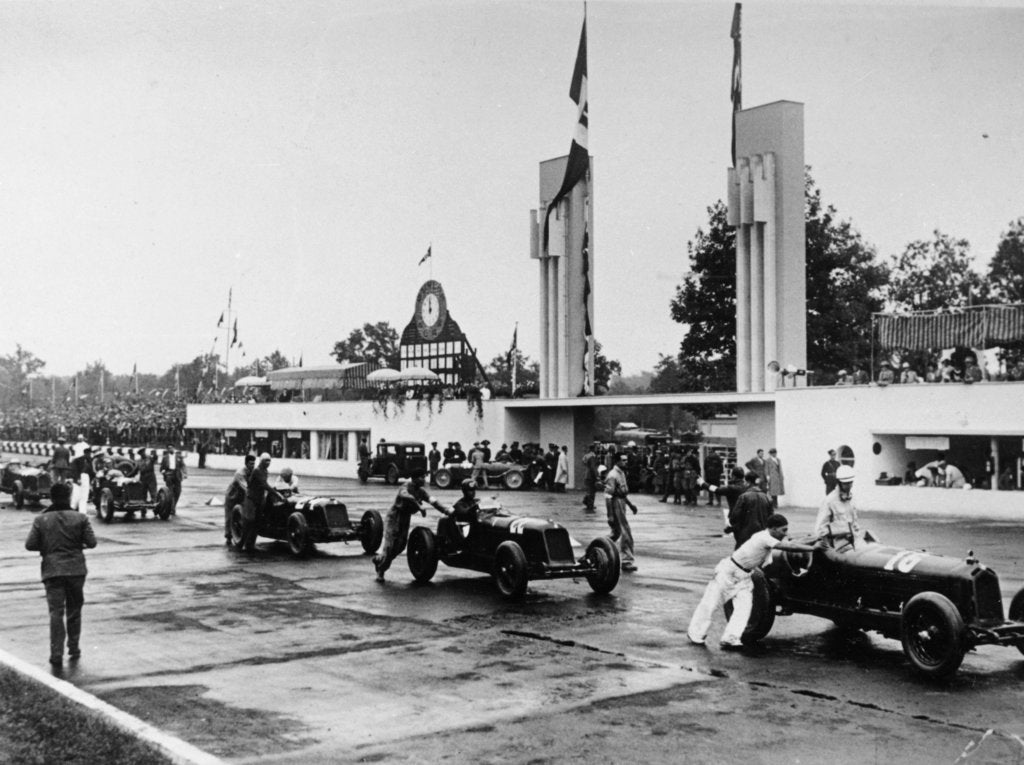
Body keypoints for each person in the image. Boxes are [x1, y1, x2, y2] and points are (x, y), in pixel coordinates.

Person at [687, 514, 821, 650]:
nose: (786, 533)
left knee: (744, 608)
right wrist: (813, 548)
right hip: (728, 572)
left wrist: (817, 538)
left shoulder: (769, 536)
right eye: (783, 530)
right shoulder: (763, 537)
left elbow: (796, 541)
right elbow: (788, 546)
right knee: (710, 603)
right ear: (773, 529)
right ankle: (695, 633)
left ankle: (731, 638)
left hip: (745, 575)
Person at [24, 482, 97, 666]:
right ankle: (74, 647)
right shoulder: (80, 518)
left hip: (52, 570)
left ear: (51, 497)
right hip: (76, 570)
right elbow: (92, 542)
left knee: (56, 612)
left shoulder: (41, 520)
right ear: (69, 496)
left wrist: (48, 546)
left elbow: (30, 545)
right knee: (74, 610)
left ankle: (56, 653)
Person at [373, 467, 449, 582]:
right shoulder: (405, 487)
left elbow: (433, 501)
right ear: (415, 478)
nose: (424, 479)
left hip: (405, 518)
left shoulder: (421, 491)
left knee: (401, 545)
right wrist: (419, 506)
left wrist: (447, 511)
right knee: (390, 546)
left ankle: (379, 559)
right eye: (422, 477)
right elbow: (406, 496)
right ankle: (381, 571)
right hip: (394, 517)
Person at [604, 452, 637, 572]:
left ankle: (601, 547)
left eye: (626, 460)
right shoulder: (613, 475)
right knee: (625, 531)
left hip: (621, 502)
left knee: (616, 533)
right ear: (617, 461)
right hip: (616, 504)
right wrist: (610, 515)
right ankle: (626, 560)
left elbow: (622, 493)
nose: (625, 462)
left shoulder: (621, 473)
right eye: (623, 460)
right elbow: (608, 496)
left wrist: (630, 505)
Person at [814, 464, 863, 545]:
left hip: (852, 541)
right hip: (836, 544)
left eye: (850, 482)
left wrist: (857, 535)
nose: (849, 486)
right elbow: (820, 529)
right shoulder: (830, 501)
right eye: (846, 483)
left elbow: (854, 522)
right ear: (839, 482)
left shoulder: (851, 499)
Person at [728, 471, 773, 549]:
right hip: (762, 534)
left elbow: (734, 517)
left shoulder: (743, 497)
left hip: (745, 535)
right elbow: (771, 517)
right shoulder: (767, 497)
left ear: (748, 482)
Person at [241, 453, 272, 553]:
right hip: (251, 499)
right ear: (261, 461)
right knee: (250, 521)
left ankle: (251, 544)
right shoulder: (257, 470)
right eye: (266, 461)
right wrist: (276, 493)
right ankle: (244, 543)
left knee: (257, 522)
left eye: (269, 460)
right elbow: (264, 484)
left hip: (259, 499)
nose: (268, 463)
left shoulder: (265, 471)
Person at [225, 454, 255, 545]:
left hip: (242, 495)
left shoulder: (253, 471)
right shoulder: (240, 473)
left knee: (244, 515)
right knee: (229, 516)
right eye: (250, 464)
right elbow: (244, 486)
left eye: (254, 463)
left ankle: (241, 535)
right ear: (246, 463)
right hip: (232, 495)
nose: (252, 466)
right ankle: (228, 537)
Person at [712, 466, 747, 536]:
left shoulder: (731, 488)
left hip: (735, 516)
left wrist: (703, 484)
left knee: (739, 538)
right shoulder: (747, 486)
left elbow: (717, 490)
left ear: (734, 476)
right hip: (747, 516)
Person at [160, 445, 186, 515]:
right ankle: (172, 508)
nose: (170, 449)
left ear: (174, 448)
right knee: (170, 492)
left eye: (171, 448)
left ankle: (173, 506)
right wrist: (163, 472)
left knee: (178, 491)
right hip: (169, 474)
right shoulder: (165, 458)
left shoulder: (179, 457)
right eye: (168, 448)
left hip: (177, 474)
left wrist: (185, 473)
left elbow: (183, 465)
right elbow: (161, 468)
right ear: (167, 450)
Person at [581, 441, 600, 512]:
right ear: (593, 449)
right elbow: (593, 467)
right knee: (592, 491)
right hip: (591, 476)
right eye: (596, 448)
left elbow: (584, 463)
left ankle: (587, 502)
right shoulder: (592, 456)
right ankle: (590, 505)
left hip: (587, 474)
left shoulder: (587, 455)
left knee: (589, 490)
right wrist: (597, 476)